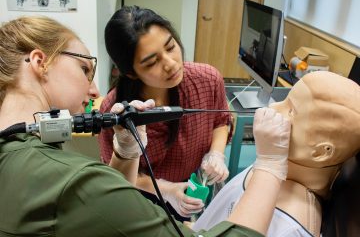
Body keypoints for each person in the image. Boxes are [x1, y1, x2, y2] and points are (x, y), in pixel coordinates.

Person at [0, 15, 292, 236]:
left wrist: (127, 153)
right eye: (85, 69)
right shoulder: (73, 181)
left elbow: (221, 121)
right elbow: (102, 195)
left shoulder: (15, 155)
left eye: (171, 47)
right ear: (40, 61)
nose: (92, 91)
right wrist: (269, 166)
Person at [99, 6, 232, 220]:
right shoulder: (116, 111)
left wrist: (216, 154)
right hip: (142, 199)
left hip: (190, 189)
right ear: (130, 72)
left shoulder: (207, 79)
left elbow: (221, 120)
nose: (171, 64)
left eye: (170, 47)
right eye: (152, 62)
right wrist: (166, 189)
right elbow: (117, 175)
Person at [192, 71, 360, 237]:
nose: (272, 107)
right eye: (285, 100)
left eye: (291, 110)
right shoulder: (274, 166)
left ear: (322, 152)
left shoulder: (290, 229)